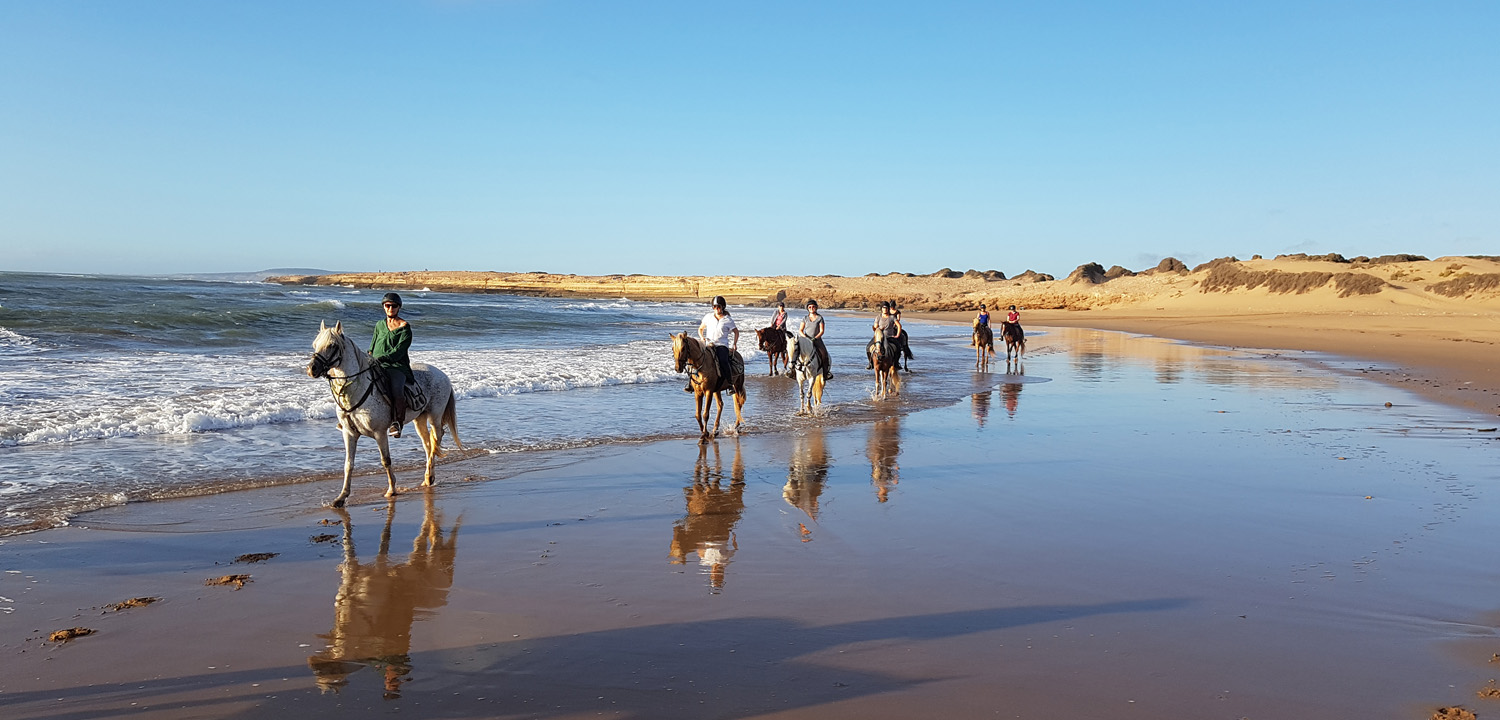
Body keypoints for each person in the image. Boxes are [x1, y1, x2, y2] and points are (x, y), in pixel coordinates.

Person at [370, 292, 413, 438]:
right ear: (383, 307)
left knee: (396, 390)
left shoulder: (405, 327)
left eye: (393, 306)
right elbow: (373, 345)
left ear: (398, 307)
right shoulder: (379, 325)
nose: (390, 308)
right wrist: (369, 356)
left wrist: (384, 358)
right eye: (387, 305)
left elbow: (399, 351)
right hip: (376, 364)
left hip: (396, 366)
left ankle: (397, 423)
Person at [697, 295, 739, 388]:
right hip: (708, 344)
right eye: (714, 307)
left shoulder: (728, 319)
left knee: (723, 361)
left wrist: (734, 344)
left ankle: (729, 382)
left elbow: (736, 332)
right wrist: (702, 337)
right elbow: (700, 329)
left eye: (718, 307)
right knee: (696, 358)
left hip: (721, 345)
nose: (716, 309)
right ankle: (691, 383)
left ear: (722, 307)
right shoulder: (708, 317)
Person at [797, 299, 832, 380]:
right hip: (806, 340)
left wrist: (815, 338)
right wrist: (805, 338)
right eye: (810, 307)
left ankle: (826, 373)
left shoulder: (820, 318)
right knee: (795, 351)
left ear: (816, 308)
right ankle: (792, 370)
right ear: (808, 308)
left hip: (816, 340)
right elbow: (800, 330)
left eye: (813, 307)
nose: (811, 308)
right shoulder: (805, 318)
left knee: (824, 354)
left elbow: (822, 331)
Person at [867, 301, 902, 369]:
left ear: (888, 309)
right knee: (868, 347)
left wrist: (897, 335)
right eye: (883, 308)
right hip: (879, 337)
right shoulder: (878, 317)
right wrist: (876, 328)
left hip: (889, 337)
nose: (885, 309)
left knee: (898, 348)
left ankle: (896, 363)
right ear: (881, 309)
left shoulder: (892, 317)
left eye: (886, 308)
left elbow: (899, 326)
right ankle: (870, 363)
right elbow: (875, 326)